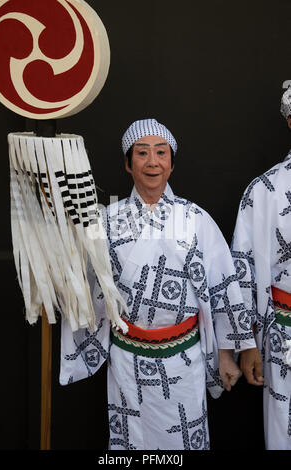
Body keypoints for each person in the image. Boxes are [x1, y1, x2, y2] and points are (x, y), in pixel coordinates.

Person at [60, 118, 256, 450]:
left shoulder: (196, 219)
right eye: (142, 153)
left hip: (184, 360)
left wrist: (226, 355)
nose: (153, 162)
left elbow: (223, 288)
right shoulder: (105, 221)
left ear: (171, 162)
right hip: (127, 361)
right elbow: (87, 288)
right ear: (127, 163)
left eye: (161, 153)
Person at [232, 89, 291, 450]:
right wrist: (247, 342)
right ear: (289, 120)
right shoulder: (265, 190)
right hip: (285, 330)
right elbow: (242, 270)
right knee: (285, 425)